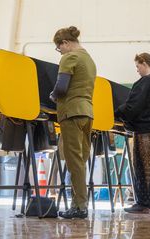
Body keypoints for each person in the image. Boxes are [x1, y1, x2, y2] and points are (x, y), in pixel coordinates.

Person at [50, 26, 97, 220]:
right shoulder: (89, 59)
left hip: (71, 113)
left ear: (66, 43)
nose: (59, 51)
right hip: (87, 114)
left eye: (58, 47)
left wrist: (52, 96)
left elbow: (61, 88)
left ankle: (79, 207)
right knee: (81, 160)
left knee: (74, 161)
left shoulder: (69, 58)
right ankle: (78, 204)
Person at [115, 53, 150, 214]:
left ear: (144, 63)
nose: (137, 70)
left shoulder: (145, 81)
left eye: (138, 66)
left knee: (141, 166)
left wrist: (116, 113)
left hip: (146, 129)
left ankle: (143, 203)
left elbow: (134, 106)